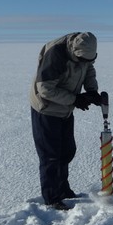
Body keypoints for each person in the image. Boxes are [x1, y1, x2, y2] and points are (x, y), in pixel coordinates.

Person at [30, 32, 102, 210]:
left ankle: (63, 189)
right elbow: (44, 89)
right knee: (51, 155)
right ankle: (52, 198)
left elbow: (88, 69)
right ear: (74, 51)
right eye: (81, 59)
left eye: (90, 59)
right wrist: (75, 99)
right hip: (46, 108)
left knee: (67, 150)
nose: (85, 62)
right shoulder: (55, 55)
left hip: (64, 109)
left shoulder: (85, 54)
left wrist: (92, 90)